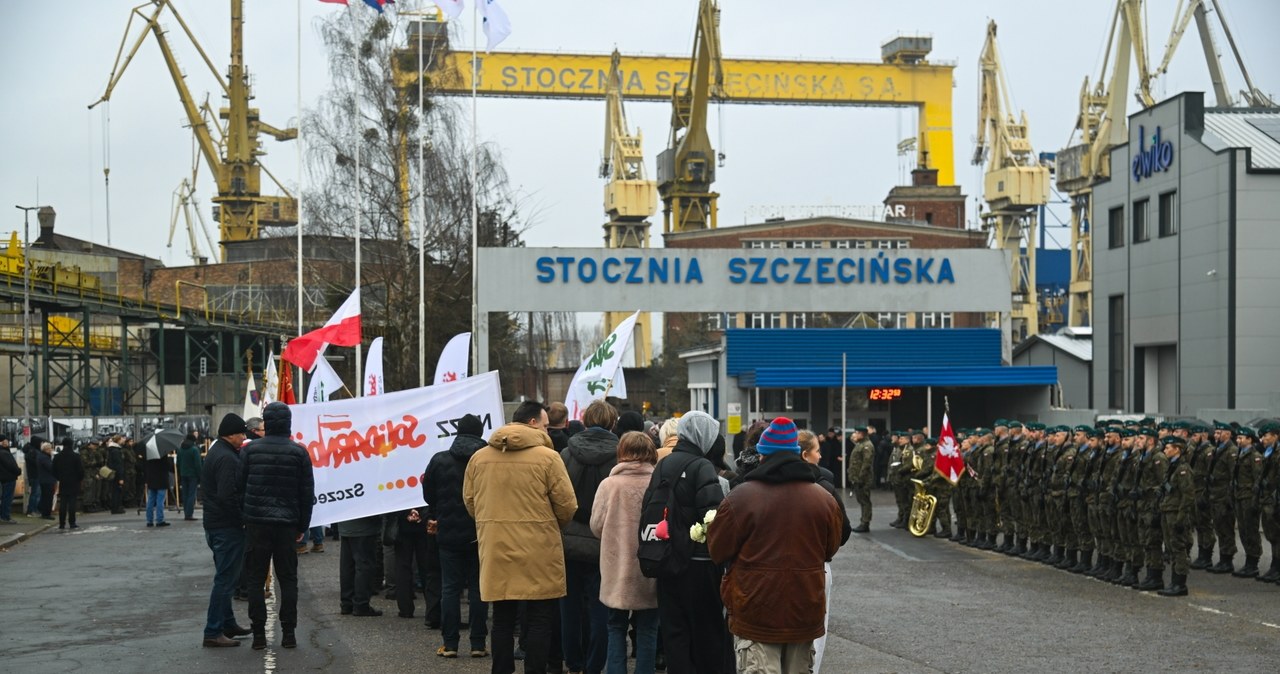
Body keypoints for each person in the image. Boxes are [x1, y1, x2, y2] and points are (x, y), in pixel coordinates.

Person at [708, 417, 844, 674]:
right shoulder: (823, 499)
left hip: (756, 609)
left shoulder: (741, 498)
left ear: (763, 456)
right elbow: (830, 549)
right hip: (804, 608)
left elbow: (718, 549)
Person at [463, 400, 577, 674]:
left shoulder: (479, 458)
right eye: (547, 426)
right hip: (540, 549)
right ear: (533, 424)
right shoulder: (549, 458)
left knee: (502, 618)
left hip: (496, 546)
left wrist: (491, 522)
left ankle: (501, 670)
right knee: (539, 618)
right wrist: (549, 525)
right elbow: (567, 505)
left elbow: (470, 501)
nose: (549, 432)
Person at [648, 410, 733, 674]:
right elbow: (713, 516)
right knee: (707, 634)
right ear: (704, 435)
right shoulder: (701, 466)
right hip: (699, 563)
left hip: (667, 558)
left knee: (676, 634)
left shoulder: (664, 464)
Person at [238, 401, 316, 650]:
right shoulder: (299, 452)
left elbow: (239, 488)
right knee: (288, 579)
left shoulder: (249, 451)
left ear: (266, 424)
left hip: (257, 523)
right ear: (289, 424)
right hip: (286, 524)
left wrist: (246, 516)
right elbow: (307, 493)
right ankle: (289, 634)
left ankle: (259, 634)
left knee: (254, 579)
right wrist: (302, 525)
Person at [590, 431, 659, 674]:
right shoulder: (658, 482)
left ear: (622, 453)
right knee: (649, 628)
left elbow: (596, 526)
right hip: (650, 566)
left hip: (616, 566)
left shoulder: (609, 485)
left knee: (615, 626)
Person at [558, 400, 619, 674]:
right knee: (600, 609)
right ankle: (595, 665)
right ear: (612, 422)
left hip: (568, 538)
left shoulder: (565, 454)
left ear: (583, 420)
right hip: (604, 540)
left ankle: (574, 662)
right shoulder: (621, 455)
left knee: (568, 607)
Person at [424, 413, 490, 659]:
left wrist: (439, 512)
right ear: (480, 433)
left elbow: (428, 493)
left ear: (457, 432)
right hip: (480, 532)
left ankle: (450, 644)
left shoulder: (440, 460)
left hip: (448, 532)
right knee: (478, 588)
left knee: (450, 588)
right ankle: (478, 643)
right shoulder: (488, 460)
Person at [798, 429, 852, 672]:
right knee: (817, 630)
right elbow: (844, 530)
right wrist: (823, 550)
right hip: (817, 565)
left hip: (778, 564)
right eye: (817, 451)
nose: (820, 456)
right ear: (805, 454)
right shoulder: (824, 485)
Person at [202, 413, 251, 648]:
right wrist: (242, 519)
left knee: (226, 577)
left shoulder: (216, 452)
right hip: (226, 526)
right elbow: (227, 496)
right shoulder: (228, 459)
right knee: (225, 580)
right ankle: (213, 630)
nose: (244, 437)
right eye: (241, 433)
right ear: (230, 434)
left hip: (214, 525)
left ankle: (227, 623)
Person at [1157, 436, 1194, 596]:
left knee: (1179, 548)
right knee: (1171, 547)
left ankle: (1180, 584)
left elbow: (1188, 495)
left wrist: (1181, 519)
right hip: (1168, 511)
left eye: (1168, 448)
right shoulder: (1172, 467)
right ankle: (1174, 582)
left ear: (1177, 449)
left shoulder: (1183, 469)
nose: (1165, 450)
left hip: (1176, 514)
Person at [338, 513, 384, 617]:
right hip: (364, 525)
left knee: (347, 566)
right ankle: (361, 604)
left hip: (345, 523)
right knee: (364, 565)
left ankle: (347, 603)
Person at [846, 426, 875, 533]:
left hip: (863, 479)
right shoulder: (860, 444)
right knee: (862, 500)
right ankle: (863, 521)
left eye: (857, 433)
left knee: (865, 501)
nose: (855, 435)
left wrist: (860, 478)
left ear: (862, 434)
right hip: (857, 478)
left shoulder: (867, 445)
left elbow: (866, 464)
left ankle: (865, 523)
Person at [52, 439, 84, 530]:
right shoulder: (76, 456)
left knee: (63, 502)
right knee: (72, 503)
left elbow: (53, 470)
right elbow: (81, 470)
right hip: (74, 482)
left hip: (63, 481)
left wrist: (59, 478)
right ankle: (72, 522)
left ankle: (62, 523)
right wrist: (79, 479)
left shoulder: (57, 456)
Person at [143, 437, 173, 528]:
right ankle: (160, 520)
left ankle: (149, 520)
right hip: (161, 479)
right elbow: (168, 466)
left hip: (151, 479)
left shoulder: (148, 454)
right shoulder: (163, 455)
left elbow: (145, 466)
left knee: (150, 501)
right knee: (160, 500)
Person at [0, 435, 19, 524]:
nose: (8, 442)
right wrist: (18, 471)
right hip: (8, 478)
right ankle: (5, 517)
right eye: (6, 440)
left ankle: (4, 516)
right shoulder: (4, 453)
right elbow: (11, 465)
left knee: (5, 497)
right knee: (7, 498)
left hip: (4, 478)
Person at [106, 436, 125, 514]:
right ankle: (116, 508)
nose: (123, 440)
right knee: (117, 491)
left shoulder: (111, 450)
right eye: (121, 439)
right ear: (118, 440)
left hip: (113, 473)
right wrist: (121, 477)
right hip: (117, 474)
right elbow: (118, 464)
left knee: (114, 491)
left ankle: (115, 507)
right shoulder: (116, 451)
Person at [36, 442, 56, 520]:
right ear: (45, 449)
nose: (51, 450)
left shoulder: (42, 456)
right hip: (47, 480)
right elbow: (50, 467)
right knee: (48, 497)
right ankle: (46, 513)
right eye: (49, 448)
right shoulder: (44, 457)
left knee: (45, 496)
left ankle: (44, 511)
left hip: (45, 479)